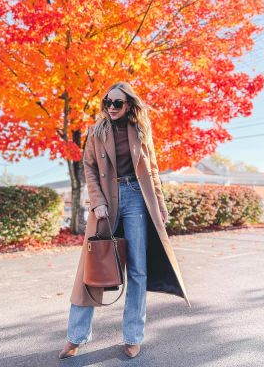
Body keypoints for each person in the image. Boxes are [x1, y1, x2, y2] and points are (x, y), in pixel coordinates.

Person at [59, 82, 191, 360]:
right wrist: (98, 202)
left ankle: (133, 336)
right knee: (91, 269)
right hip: (107, 200)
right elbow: (90, 168)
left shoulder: (141, 131)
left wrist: (161, 205)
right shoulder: (97, 132)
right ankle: (76, 336)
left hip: (137, 198)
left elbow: (153, 171)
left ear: (129, 105)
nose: (111, 107)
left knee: (138, 271)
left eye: (117, 103)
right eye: (108, 102)